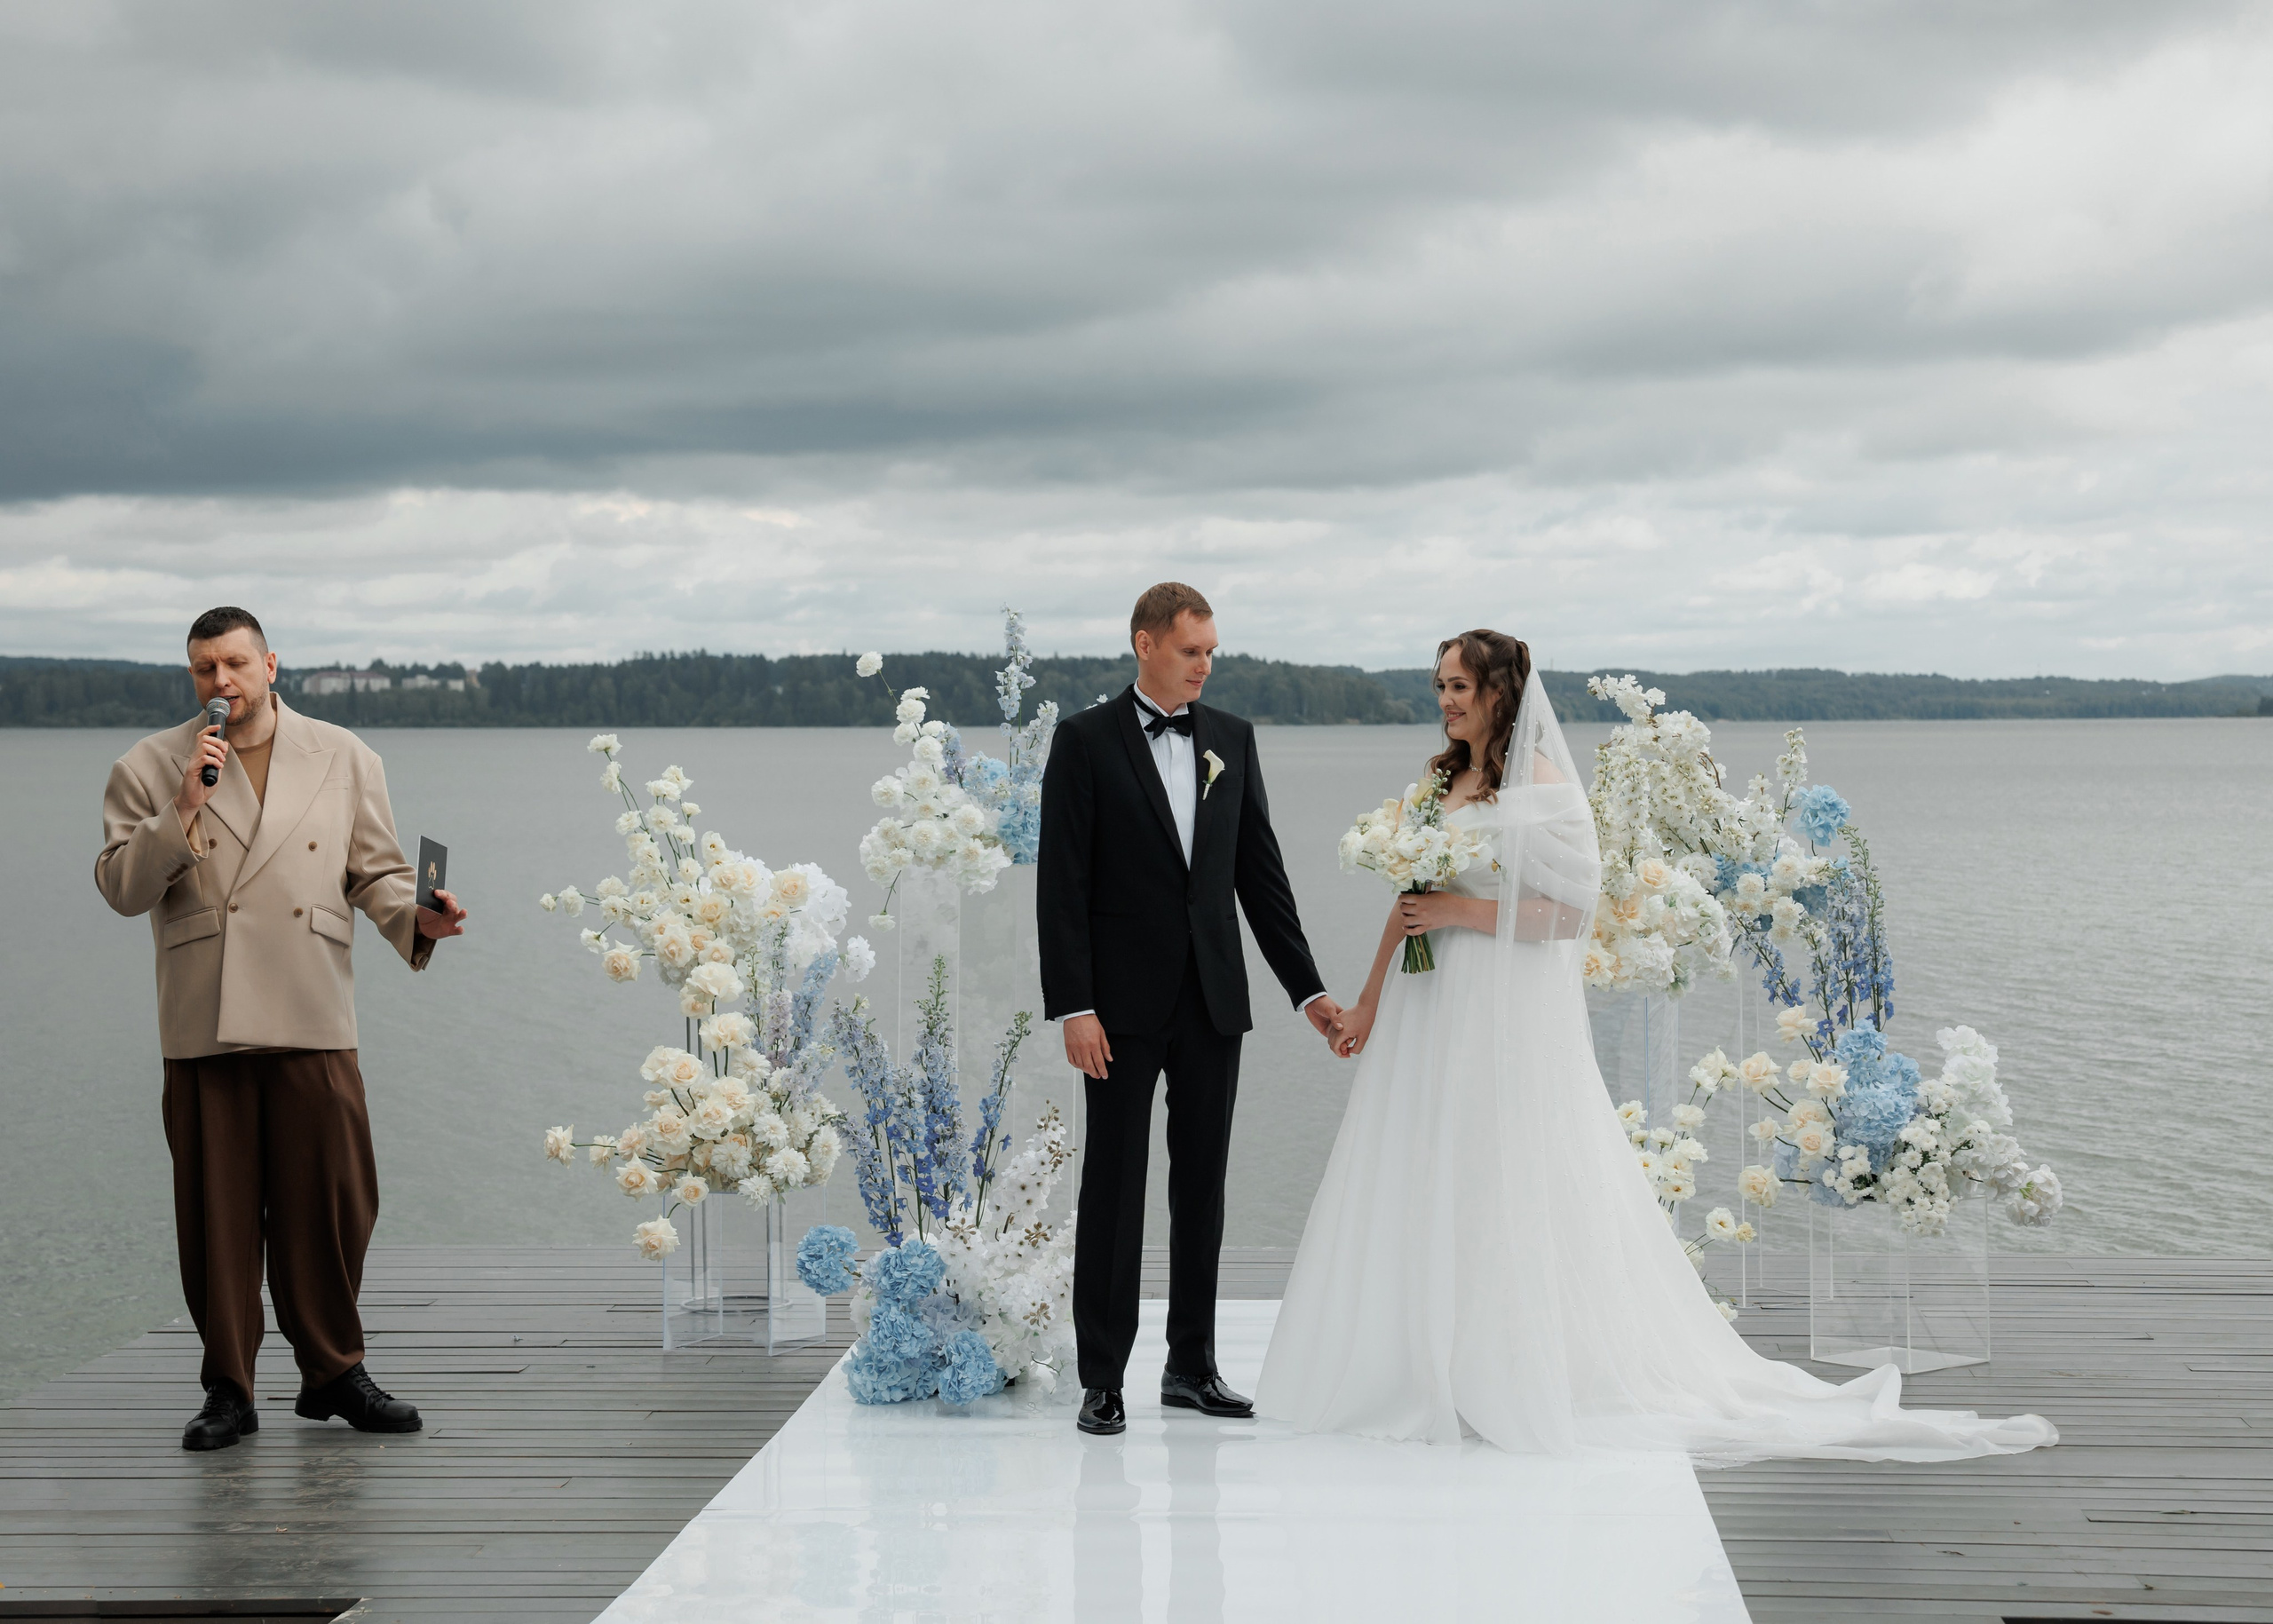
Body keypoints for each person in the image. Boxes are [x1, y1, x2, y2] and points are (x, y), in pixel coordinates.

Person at [1256, 629, 2056, 1466]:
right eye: (1440, 686)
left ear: (1500, 692)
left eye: (1460, 685)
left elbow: (1567, 916)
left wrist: (1461, 915)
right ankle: (1414, 1353)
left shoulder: (1548, 789)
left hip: (1494, 1004)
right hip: (1428, 1005)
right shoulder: (1436, 781)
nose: (1447, 700)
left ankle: (1503, 1359)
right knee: (1422, 1161)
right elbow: (1408, 900)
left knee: (1501, 1164)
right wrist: (1369, 1001)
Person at [95, 606, 469, 1453]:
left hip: (310, 1006)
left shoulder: (343, 755)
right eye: (202, 669)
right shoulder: (150, 765)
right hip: (205, 1018)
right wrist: (183, 805)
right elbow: (121, 887)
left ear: (271, 664)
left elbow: (375, 869)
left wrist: (420, 918)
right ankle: (229, 1387)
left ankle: (333, 1371)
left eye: (233, 663)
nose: (219, 682)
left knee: (338, 1201)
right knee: (216, 1217)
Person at [1039, 582, 1342, 1438]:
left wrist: (1307, 989)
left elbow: (1261, 878)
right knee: (1114, 1187)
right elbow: (1060, 888)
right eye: (1191, 650)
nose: (1206, 665)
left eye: (1212, 651)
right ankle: (1102, 1376)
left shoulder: (1232, 742)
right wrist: (1074, 1005)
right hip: (1118, 1011)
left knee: (1201, 1187)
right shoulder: (1084, 742)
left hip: (1214, 1001)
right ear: (1145, 645)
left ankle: (1191, 1366)